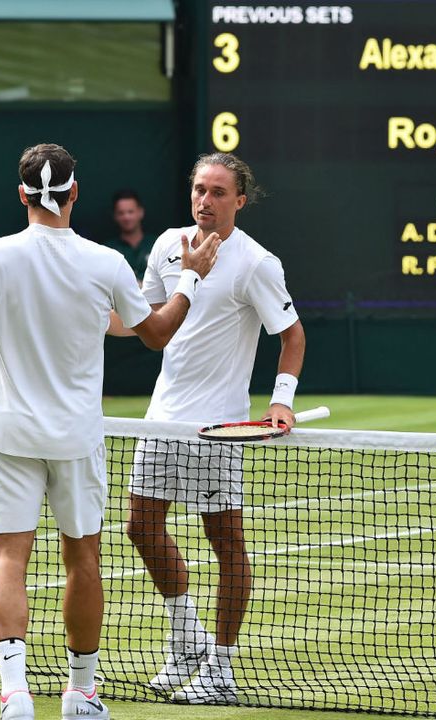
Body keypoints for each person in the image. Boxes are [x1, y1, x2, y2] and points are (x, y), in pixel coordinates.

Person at [0, 143, 220, 720]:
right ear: (75, 193)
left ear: (23, 194)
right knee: (83, 560)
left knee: (8, 558)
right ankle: (80, 694)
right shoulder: (104, 263)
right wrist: (192, 280)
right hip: (77, 440)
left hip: (12, 435)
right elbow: (156, 334)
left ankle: (16, 696)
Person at [121, 153, 306, 704]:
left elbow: (291, 337)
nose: (205, 200)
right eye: (199, 189)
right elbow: (150, 324)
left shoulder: (257, 264)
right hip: (163, 417)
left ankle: (220, 666)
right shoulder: (165, 247)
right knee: (140, 527)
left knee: (225, 541)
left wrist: (281, 403)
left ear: (240, 200)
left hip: (219, 426)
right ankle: (187, 639)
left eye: (219, 192)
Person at [105, 189, 151, 280]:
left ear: (140, 212)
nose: (126, 217)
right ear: (115, 216)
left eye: (130, 212)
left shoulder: (157, 244)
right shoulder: (107, 250)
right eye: (121, 213)